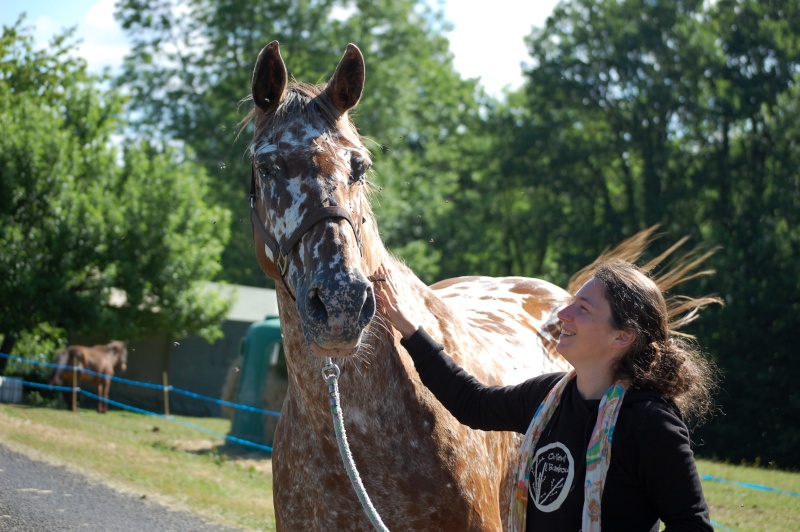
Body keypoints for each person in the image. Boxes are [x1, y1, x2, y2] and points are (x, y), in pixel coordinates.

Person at [376, 259, 718, 532]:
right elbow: (473, 403)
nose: (563, 315)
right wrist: (410, 329)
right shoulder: (549, 396)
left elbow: (691, 524)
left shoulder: (649, 421)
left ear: (623, 336)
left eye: (582, 309)